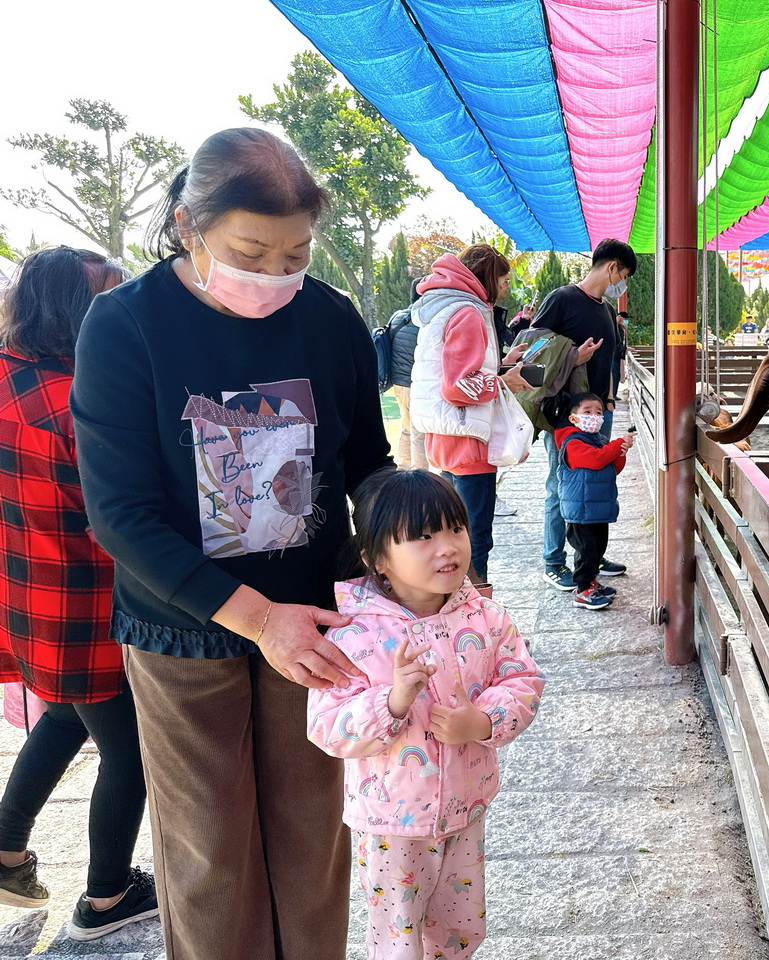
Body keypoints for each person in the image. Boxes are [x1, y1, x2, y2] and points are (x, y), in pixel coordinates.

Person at [70, 128, 395, 960]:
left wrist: (415, 547)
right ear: (189, 226)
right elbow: (121, 514)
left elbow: (367, 461)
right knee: (211, 852)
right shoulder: (124, 325)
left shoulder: (329, 319)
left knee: (311, 838)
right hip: (186, 627)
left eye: (296, 253)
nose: (276, 274)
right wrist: (254, 617)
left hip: (314, 622)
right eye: (251, 249)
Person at [308, 468, 543, 960]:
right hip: (391, 822)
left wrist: (482, 722)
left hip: (466, 808)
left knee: (461, 928)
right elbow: (326, 725)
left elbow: (523, 681)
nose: (447, 547)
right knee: (398, 937)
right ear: (377, 560)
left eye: (454, 528)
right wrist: (392, 703)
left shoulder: (486, 617)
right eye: (422, 536)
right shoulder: (354, 635)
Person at [0, 247, 157, 941]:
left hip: (27, 592)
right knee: (129, 752)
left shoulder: (8, 376)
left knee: (64, 717)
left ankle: (4, 850)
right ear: (74, 313)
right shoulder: (76, 400)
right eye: (106, 300)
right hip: (85, 600)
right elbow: (120, 516)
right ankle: (107, 896)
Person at [408, 244, 531, 589]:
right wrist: (502, 380)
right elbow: (458, 385)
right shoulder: (469, 312)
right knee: (473, 540)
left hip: (446, 439)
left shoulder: (445, 307)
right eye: (504, 279)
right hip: (468, 443)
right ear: (489, 277)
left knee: (448, 538)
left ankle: (456, 619)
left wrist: (500, 368)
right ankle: (477, 625)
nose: (506, 287)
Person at [532, 238, 634, 590]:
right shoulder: (561, 299)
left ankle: (589, 554)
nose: (624, 283)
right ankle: (554, 560)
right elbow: (529, 353)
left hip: (599, 414)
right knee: (560, 487)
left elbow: (609, 362)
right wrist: (572, 359)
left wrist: (608, 402)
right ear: (612, 268)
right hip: (566, 416)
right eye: (625, 275)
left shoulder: (606, 310)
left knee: (597, 482)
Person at [554, 393, 633, 610]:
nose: (594, 416)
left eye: (598, 412)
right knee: (586, 551)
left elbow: (610, 468)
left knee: (597, 549)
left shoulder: (597, 440)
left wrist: (620, 454)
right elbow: (595, 460)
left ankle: (591, 582)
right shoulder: (572, 442)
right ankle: (582, 590)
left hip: (596, 508)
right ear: (573, 418)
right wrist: (617, 445)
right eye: (587, 412)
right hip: (580, 509)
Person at [388, 306, 427, 470]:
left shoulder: (397, 317)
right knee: (419, 432)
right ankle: (420, 473)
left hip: (399, 384)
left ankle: (403, 467)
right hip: (417, 384)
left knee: (406, 427)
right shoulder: (424, 321)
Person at [614, 309, 629, 390]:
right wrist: (625, 348)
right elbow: (615, 343)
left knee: (616, 376)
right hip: (614, 355)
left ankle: (614, 394)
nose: (626, 321)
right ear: (619, 318)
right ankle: (612, 395)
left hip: (617, 356)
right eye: (625, 319)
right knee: (614, 375)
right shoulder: (614, 326)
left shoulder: (620, 327)